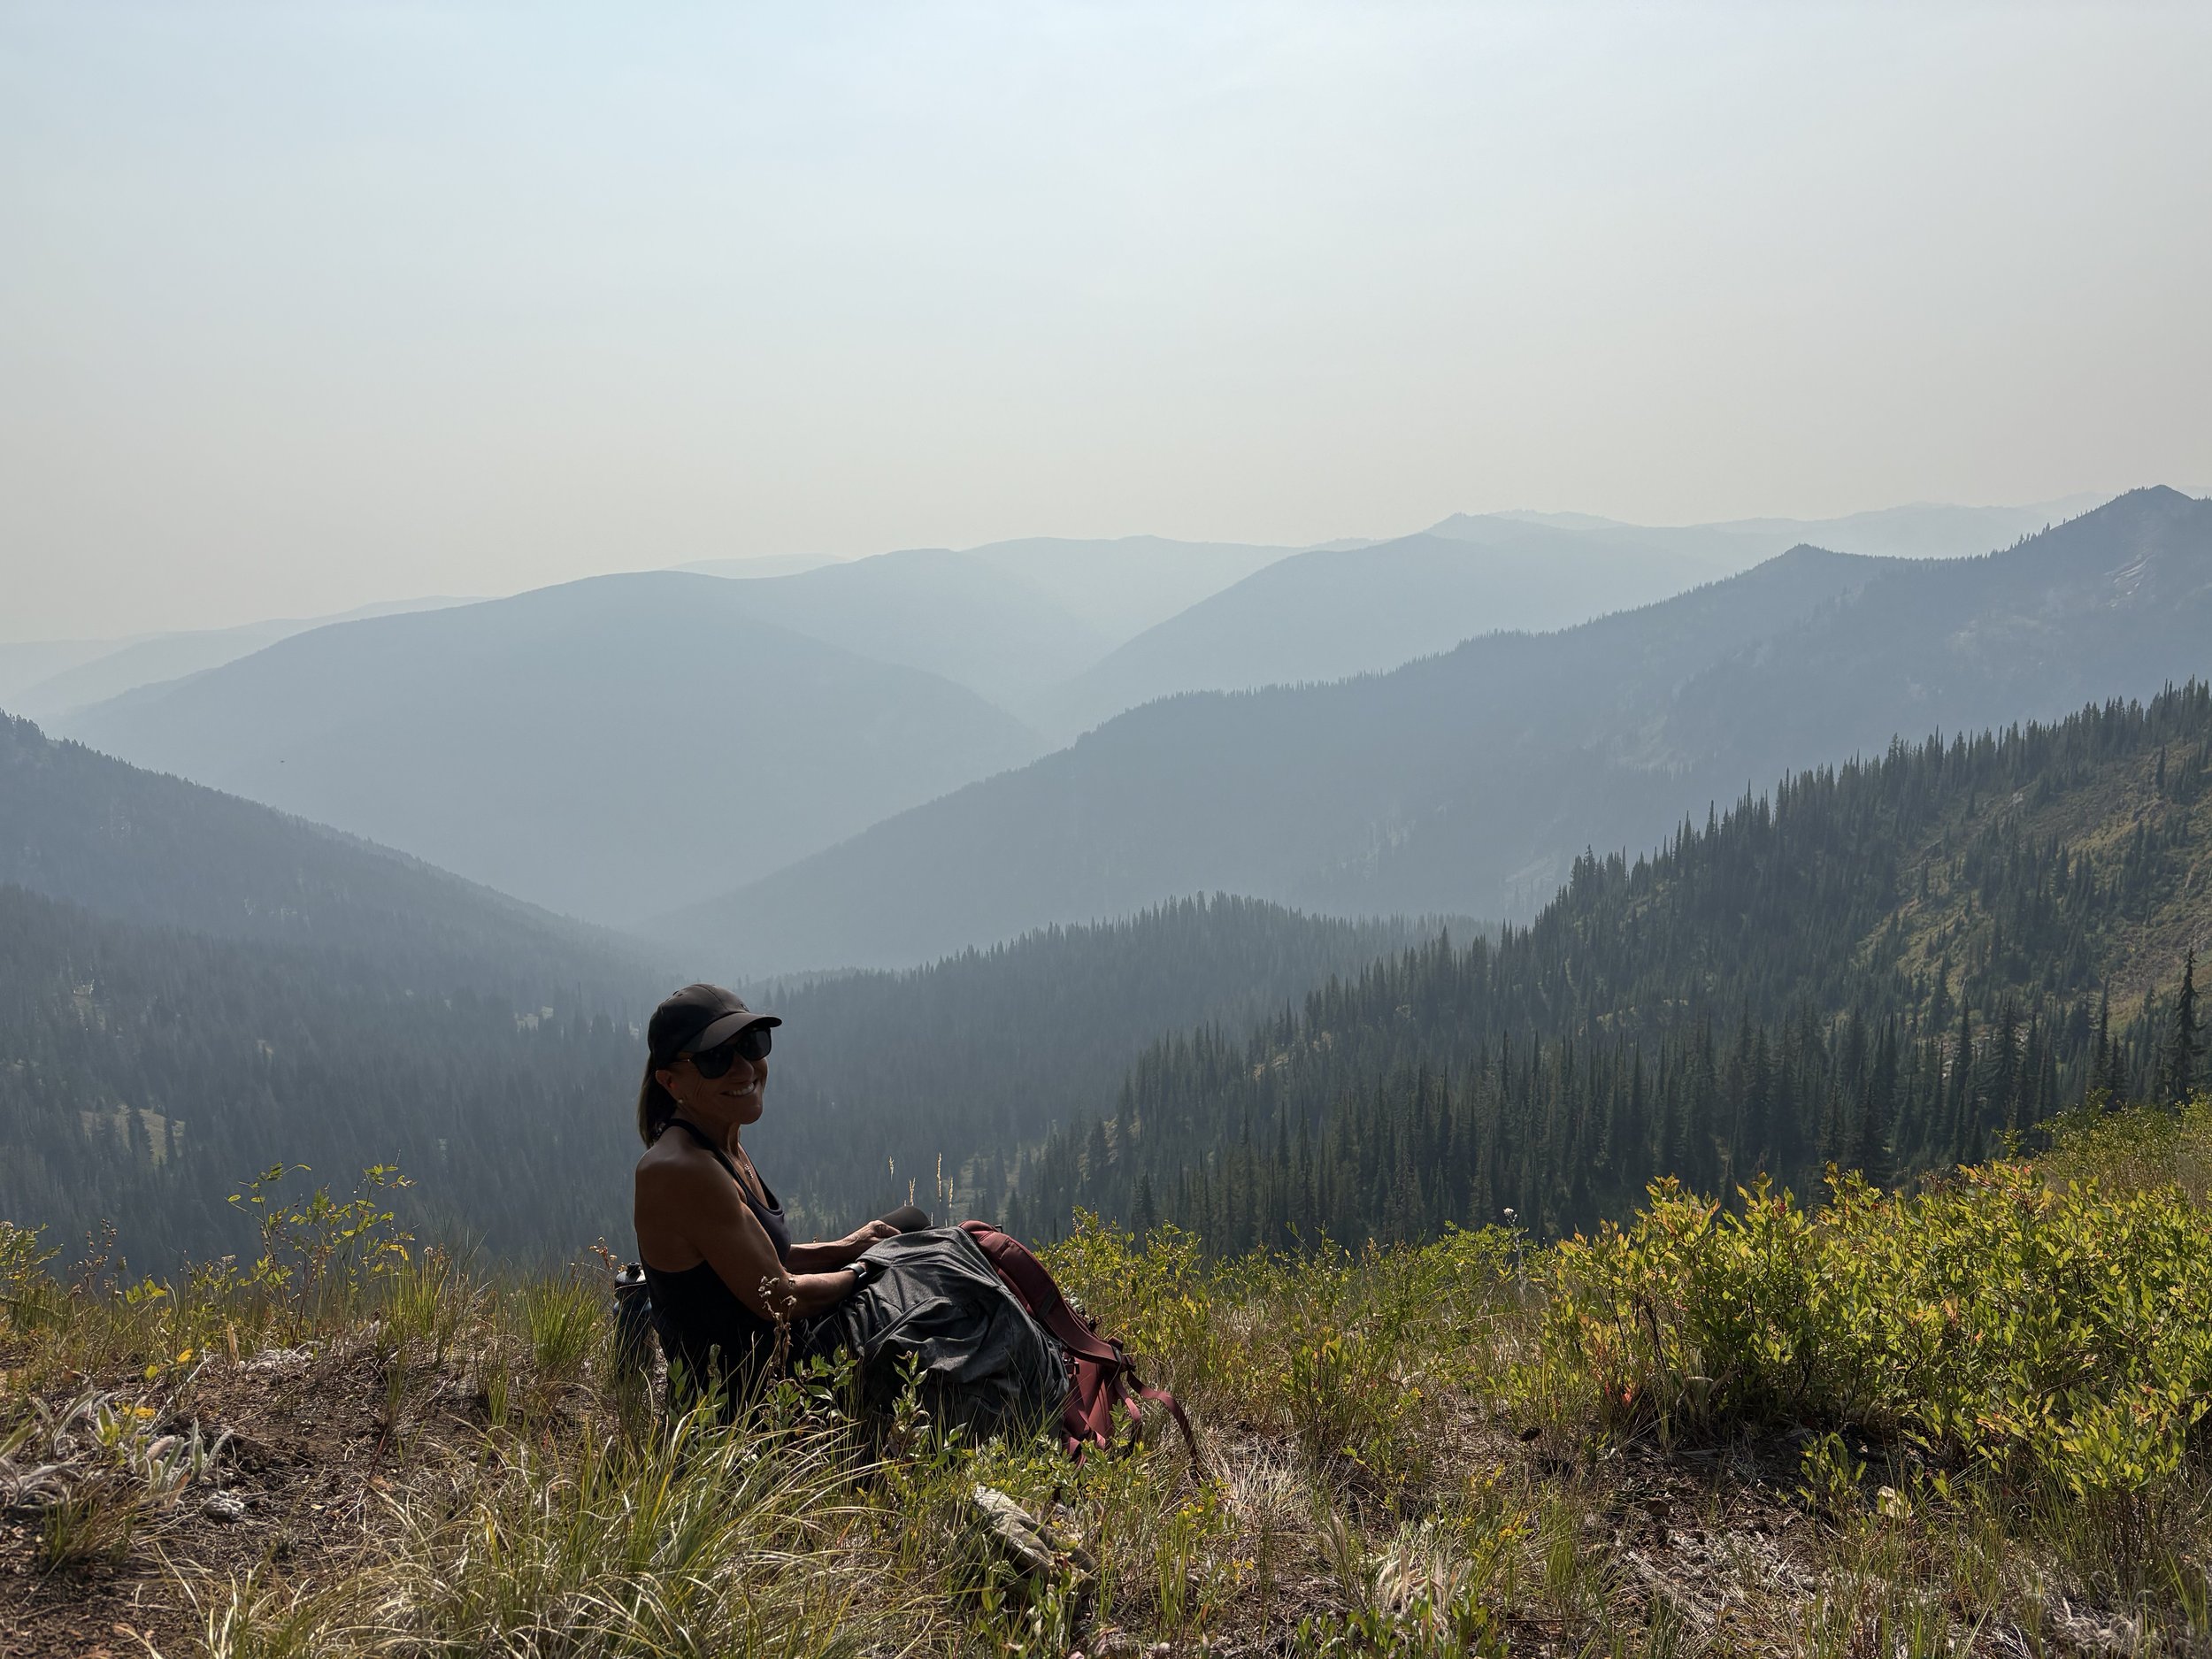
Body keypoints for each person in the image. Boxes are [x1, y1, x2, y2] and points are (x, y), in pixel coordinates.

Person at [633, 982, 900, 1409]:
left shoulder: (719, 1142)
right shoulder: (681, 1170)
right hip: (749, 1403)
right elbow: (780, 1296)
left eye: (752, 1045)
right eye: (715, 1058)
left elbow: (754, 1259)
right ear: (670, 1081)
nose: (744, 1069)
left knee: (915, 1229)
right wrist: (866, 1269)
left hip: (780, 1362)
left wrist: (851, 1245)